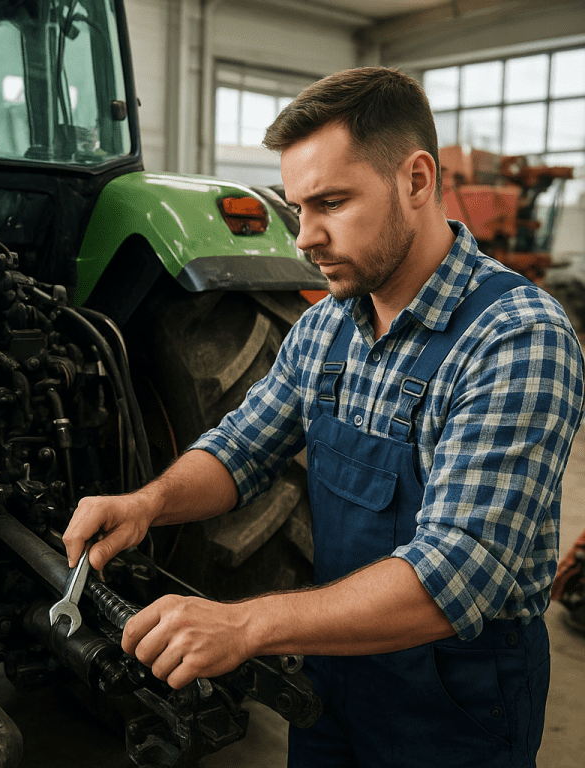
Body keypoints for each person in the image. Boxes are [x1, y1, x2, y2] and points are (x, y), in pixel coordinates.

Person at [64, 67, 584, 766]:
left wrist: (248, 622)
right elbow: (242, 447)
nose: (302, 236)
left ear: (417, 180)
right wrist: (148, 504)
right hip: (331, 674)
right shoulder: (326, 328)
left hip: (453, 700)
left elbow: (457, 572)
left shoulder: (515, 337)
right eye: (296, 206)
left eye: (331, 203)